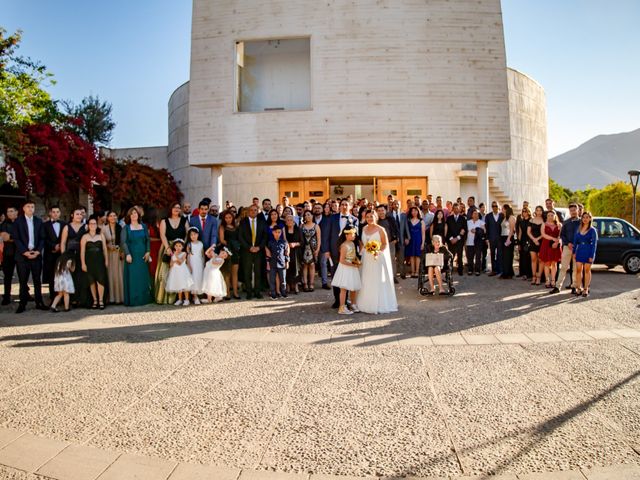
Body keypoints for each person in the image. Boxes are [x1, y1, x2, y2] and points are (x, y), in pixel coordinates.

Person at [358, 210, 398, 314]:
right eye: (367, 217)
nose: (370, 218)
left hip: (378, 258)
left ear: (376, 217)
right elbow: (362, 242)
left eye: (372, 216)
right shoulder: (364, 228)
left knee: (376, 279)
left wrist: (377, 251)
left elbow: (385, 244)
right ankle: (365, 302)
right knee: (366, 279)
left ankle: (379, 303)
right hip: (366, 258)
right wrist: (363, 250)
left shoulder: (381, 229)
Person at [14, 200, 48, 313]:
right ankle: (22, 304)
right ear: (23, 208)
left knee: (37, 280)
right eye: (28, 206)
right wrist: (24, 252)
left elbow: (42, 238)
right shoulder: (18, 221)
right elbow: (16, 238)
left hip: (36, 255)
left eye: (32, 207)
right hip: (23, 256)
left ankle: (39, 302)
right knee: (23, 281)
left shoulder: (38, 221)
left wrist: (38, 251)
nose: (30, 208)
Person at [325, 199, 358, 308]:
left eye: (346, 204)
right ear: (339, 206)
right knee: (336, 275)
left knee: (347, 276)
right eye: (342, 204)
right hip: (334, 251)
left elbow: (356, 237)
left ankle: (345, 300)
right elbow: (327, 235)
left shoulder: (354, 219)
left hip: (348, 252)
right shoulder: (332, 218)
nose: (344, 206)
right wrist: (326, 250)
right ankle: (337, 300)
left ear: (350, 206)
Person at [155, 202, 188, 304]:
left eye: (178, 207)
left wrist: (183, 246)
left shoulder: (184, 220)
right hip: (167, 248)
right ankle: (163, 298)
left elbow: (187, 233)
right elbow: (162, 235)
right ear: (170, 209)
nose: (177, 209)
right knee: (164, 274)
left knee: (179, 272)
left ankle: (178, 299)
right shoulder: (164, 221)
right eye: (174, 207)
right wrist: (168, 248)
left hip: (180, 249)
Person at [122, 206, 152, 306]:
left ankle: (144, 299)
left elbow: (148, 240)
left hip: (143, 255)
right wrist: (127, 254)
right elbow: (124, 242)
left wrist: (148, 251)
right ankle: (134, 300)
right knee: (133, 278)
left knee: (143, 277)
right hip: (132, 256)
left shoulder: (143, 226)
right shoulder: (126, 228)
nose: (134, 215)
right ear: (129, 216)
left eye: (135, 213)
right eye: (132, 213)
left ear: (138, 215)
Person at [61, 207, 90, 307]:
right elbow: (63, 243)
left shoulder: (86, 227)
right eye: (77, 214)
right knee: (71, 277)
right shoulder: (66, 227)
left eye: (80, 214)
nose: (79, 216)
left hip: (82, 254)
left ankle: (82, 299)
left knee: (82, 276)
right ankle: (72, 300)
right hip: (70, 254)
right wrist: (64, 257)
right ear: (72, 215)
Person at [239, 204, 267, 299]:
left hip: (259, 251)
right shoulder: (243, 222)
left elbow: (265, 237)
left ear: (258, 211)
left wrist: (259, 247)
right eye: (251, 210)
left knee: (258, 272)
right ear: (248, 211)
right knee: (247, 272)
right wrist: (249, 247)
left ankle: (257, 292)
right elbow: (240, 237)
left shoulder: (262, 222)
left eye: (255, 210)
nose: (253, 212)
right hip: (247, 251)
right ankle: (249, 292)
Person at [80, 216, 109, 310]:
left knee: (100, 280)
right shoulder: (84, 237)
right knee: (91, 281)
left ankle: (101, 300)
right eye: (91, 224)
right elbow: (82, 251)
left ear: (97, 225)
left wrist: (106, 260)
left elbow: (104, 249)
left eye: (94, 223)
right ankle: (95, 300)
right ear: (88, 225)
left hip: (99, 261)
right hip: (89, 261)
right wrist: (83, 263)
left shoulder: (101, 236)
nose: (93, 225)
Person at [331, 226, 361, 315]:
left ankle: (353, 304)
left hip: (352, 267)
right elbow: (342, 260)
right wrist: (353, 265)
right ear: (346, 235)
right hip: (346, 268)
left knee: (353, 288)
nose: (354, 235)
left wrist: (357, 261)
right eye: (352, 234)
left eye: (354, 234)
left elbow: (353, 255)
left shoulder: (352, 243)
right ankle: (342, 307)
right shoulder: (344, 246)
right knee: (344, 288)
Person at [552, 203, 580, 294]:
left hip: (578, 248)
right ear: (569, 211)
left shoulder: (581, 222)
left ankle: (574, 287)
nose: (573, 212)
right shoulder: (566, 222)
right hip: (567, 247)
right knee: (563, 267)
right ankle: (557, 286)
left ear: (578, 210)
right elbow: (562, 235)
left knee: (575, 268)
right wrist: (568, 243)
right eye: (571, 211)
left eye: (574, 210)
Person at [42, 205, 66, 304]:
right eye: (54, 212)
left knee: (61, 275)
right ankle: (53, 297)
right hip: (50, 254)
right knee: (52, 276)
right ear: (50, 213)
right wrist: (53, 246)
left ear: (60, 213)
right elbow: (44, 238)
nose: (55, 213)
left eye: (57, 212)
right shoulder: (45, 225)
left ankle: (62, 296)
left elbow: (66, 237)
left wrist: (60, 246)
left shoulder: (64, 224)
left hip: (61, 253)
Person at [573, 211, 598, 297]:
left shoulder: (593, 230)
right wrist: (573, 252)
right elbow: (575, 241)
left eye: (587, 217)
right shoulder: (579, 229)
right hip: (579, 251)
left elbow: (594, 244)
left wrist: (591, 255)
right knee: (578, 270)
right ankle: (578, 288)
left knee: (587, 270)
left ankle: (586, 288)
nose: (585, 219)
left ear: (590, 218)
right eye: (583, 217)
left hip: (588, 251)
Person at [218, 210, 241, 299]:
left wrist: (236, 246)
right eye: (226, 218)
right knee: (227, 273)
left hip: (235, 252)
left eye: (230, 217)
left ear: (233, 218)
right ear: (224, 218)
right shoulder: (222, 227)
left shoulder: (236, 227)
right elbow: (222, 240)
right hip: (226, 251)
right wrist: (230, 245)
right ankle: (227, 293)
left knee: (235, 273)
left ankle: (235, 292)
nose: (228, 219)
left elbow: (239, 238)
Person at [103, 211, 124, 304]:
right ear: (107, 218)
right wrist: (108, 246)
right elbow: (102, 241)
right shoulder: (104, 228)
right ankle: (111, 298)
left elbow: (124, 241)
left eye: (114, 216)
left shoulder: (121, 227)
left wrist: (122, 251)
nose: (113, 217)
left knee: (119, 275)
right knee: (110, 274)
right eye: (110, 216)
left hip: (119, 253)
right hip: (109, 254)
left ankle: (120, 298)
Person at [165, 239, 194, 305]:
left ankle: (187, 300)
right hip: (175, 272)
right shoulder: (173, 255)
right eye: (176, 246)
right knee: (178, 286)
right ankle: (180, 299)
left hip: (182, 272)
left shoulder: (184, 253)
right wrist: (173, 259)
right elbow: (171, 264)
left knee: (185, 286)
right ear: (174, 247)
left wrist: (176, 256)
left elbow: (180, 262)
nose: (178, 247)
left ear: (182, 247)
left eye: (180, 246)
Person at [376, 204, 399, 284]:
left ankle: (393, 276)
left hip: (390, 242)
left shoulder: (390, 219)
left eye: (382, 210)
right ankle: (382, 276)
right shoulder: (376, 221)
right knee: (380, 260)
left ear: (385, 211)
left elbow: (396, 228)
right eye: (379, 211)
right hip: (379, 244)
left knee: (392, 259)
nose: (381, 212)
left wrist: (396, 239)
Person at [538, 210, 562, 289]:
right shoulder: (543, 224)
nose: (550, 217)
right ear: (546, 216)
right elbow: (543, 234)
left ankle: (553, 280)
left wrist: (557, 241)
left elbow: (560, 235)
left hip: (555, 246)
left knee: (554, 264)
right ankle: (547, 280)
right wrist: (553, 239)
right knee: (547, 263)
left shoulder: (559, 225)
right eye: (549, 215)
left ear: (555, 216)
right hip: (546, 245)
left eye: (552, 215)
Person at [0, 207, 18, 305]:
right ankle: (7, 296)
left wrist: (11, 237)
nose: (9, 213)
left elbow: (25, 236)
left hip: (20, 253)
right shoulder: (4, 224)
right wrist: (17, 238)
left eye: (11, 211)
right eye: (8, 211)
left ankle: (25, 294)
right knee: (8, 276)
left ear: (16, 212)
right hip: (8, 253)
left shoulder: (21, 222)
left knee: (23, 275)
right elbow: (5, 237)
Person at [266, 224, 290, 299]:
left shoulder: (284, 242)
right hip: (272, 263)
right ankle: (273, 294)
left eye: (279, 232)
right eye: (276, 232)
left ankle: (283, 292)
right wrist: (268, 263)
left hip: (282, 263)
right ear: (273, 232)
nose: (277, 234)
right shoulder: (270, 242)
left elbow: (286, 253)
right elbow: (268, 254)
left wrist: (287, 262)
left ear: (281, 233)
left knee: (283, 280)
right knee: (272, 280)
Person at [300, 210, 321, 292]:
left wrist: (318, 249)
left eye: (309, 215)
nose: (307, 216)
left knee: (312, 265)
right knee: (304, 265)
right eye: (305, 215)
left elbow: (319, 239)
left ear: (312, 216)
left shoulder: (316, 226)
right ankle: (305, 284)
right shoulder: (302, 226)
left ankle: (311, 283)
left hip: (313, 248)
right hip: (304, 248)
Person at [390, 200, 410, 280]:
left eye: (397, 203)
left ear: (400, 205)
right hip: (392, 240)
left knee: (401, 257)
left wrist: (407, 237)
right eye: (394, 204)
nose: (396, 205)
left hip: (402, 239)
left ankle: (402, 273)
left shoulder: (403, 215)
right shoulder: (389, 215)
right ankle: (393, 275)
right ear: (392, 205)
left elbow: (406, 227)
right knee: (392, 258)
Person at [284, 214, 303, 294]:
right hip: (287, 251)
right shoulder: (284, 229)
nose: (289, 221)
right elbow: (284, 240)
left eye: (291, 220)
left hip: (296, 252)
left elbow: (302, 242)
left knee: (296, 268)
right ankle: (288, 285)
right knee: (287, 268)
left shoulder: (298, 229)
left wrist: (295, 244)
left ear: (293, 221)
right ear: (285, 222)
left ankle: (296, 286)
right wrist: (288, 245)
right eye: (287, 220)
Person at [446, 204, 467, 276]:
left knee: (460, 256)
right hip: (451, 241)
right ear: (452, 209)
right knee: (451, 256)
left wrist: (457, 238)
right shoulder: (449, 218)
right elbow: (447, 230)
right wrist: (451, 238)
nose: (456, 210)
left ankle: (460, 270)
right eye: (454, 208)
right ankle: (449, 271)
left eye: (457, 208)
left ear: (459, 209)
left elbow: (464, 229)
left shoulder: (463, 218)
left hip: (459, 240)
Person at [186, 227, 205, 304]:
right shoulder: (189, 244)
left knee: (199, 278)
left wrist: (203, 263)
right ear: (189, 236)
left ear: (198, 234)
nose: (193, 236)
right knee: (194, 278)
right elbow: (188, 256)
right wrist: (189, 265)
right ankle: (195, 296)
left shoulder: (201, 243)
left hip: (199, 263)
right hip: (193, 262)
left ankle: (198, 295)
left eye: (195, 234)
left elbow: (202, 254)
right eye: (191, 235)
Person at [527, 205, 545, 286]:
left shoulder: (544, 220)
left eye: (540, 210)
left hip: (542, 241)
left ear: (542, 211)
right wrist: (534, 239)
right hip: (532, 241)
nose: (538, 212)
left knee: (541, 260)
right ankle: (533, 277)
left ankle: (539, 277)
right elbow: (528, 232)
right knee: (533, 259)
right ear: (535, 211)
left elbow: (545, 232)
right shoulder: (531, 220)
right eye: (537, 210)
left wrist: (538, 239)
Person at [485, 201, 504, 277]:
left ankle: (500, 270)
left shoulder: (502, 215)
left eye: (496, 206)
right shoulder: (488, 216)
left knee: (499, 254)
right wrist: (487, 238)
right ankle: (493, 270)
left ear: (498, 207)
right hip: (492, 238)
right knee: (492, 254)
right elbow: (487, 228)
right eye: (493, 206)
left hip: (500, 238)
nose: (494, 207)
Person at [405, 206, 424, 278]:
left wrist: (422, 243)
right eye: (412, 211)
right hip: (411, 240)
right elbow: (407, 231)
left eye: (415, 211)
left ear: (418, 212)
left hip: (418, 240)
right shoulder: (409, 221)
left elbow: (423, 234)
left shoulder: (421, 221)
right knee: (412, 256)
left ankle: (417, 272)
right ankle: (412, 272)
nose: (414, 212)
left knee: (418, 256)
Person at [465, 209, 485, 276]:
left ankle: (477, 270)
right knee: (470, 257)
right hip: (469, 242)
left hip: (478, 243)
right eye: (474, 213)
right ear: (472, 215)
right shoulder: (468, 222)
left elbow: (484, 231)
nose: (475, 215)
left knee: (478, 257)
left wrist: (477, 231)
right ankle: (470, 270)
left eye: (477, 213)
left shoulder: (481, 222)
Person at [499, 204, 516, 279]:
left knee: (508, 256)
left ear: (505, 209)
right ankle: (506, 272)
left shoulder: (511, 217)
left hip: (508, 237)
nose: (501, 210)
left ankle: (507, 273)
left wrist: (508, 238)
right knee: (504, 256)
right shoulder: (504, 217)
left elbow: (512, 229)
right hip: (503, 237)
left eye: (502, 208)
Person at [318, 203, 332, 289]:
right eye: (325, 207)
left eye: (328, 207)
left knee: (324, 263)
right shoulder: (319, 218)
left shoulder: (331, 218)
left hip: (326, 244)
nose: (326, 209)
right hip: (315, 244)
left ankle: (325, 282)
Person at [516, 207, 533, 281]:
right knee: (522, 257)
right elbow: (520, 233)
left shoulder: (532, 221)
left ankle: (530, 274)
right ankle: (523, 273)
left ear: (529, 212)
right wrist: (519, 243)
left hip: (530, 240)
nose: (524, 212)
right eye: (523, 211)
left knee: (529, 257)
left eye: (526, 211)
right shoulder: (521, 222)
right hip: (523, 240)